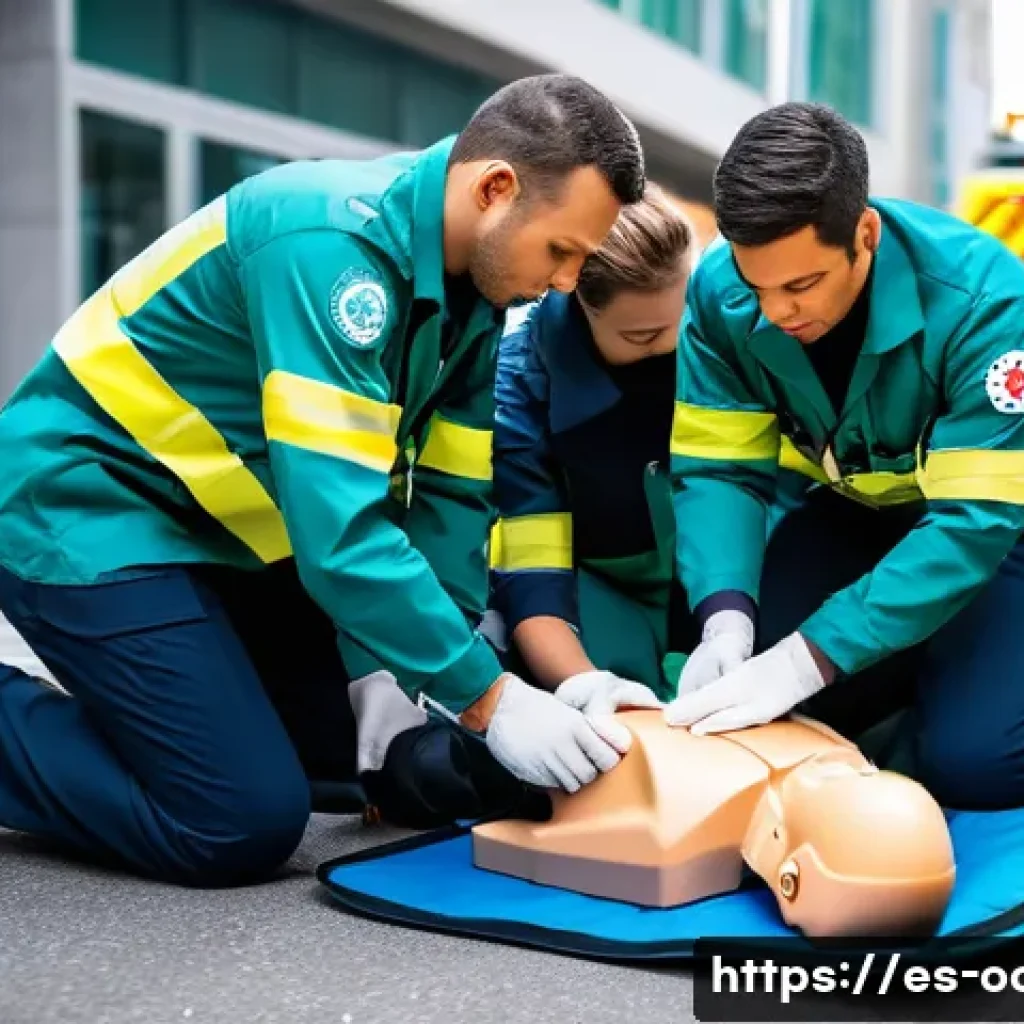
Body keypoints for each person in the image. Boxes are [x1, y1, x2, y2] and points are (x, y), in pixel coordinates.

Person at [0, 73, 647, 885]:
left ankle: (150, 697)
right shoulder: (329, 249)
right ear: (495, 188)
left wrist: (427, 684)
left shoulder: (473, 298)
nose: (562, 283)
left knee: (354, 761)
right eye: (563, 250)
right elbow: (339, 536)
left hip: (214, 538)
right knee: (238, 820)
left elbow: (447, 499)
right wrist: (492, 699)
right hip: (82, 509)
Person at [664, 101, 1024, 810]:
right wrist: (726, 619)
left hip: (995, 533)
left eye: (800, 286)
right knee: (736, 702)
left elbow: (971, 524)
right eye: (756, 285)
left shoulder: (988, 301)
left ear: (866, 233)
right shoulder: (717, 293)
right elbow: (717, 470)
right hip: (855, 517)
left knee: (975, 765)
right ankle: (905, 668)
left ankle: (944, 682)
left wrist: (812, 658)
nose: (774, 314)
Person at [488, 184, 697, 713]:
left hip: (725, 576)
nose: (676, 346)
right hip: (599, 588)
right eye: (646, 336)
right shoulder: (521, 379)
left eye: (689, 318)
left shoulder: (729, 323)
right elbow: (533, 570)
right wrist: (585, 686)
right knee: (633, 715)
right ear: (576, 298)